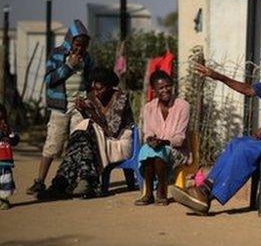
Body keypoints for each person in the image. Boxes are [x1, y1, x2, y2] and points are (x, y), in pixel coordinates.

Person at [170, 40, 261, 215]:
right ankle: (205, 189)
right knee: (237, 143)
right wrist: (217, 76)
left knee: (246, 148)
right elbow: (249, 90)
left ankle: (206, 195)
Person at [38, 68, 134, 199]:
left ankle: (65, 182)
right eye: (94, 88)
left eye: (100, 89)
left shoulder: (120, 98)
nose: (97, 92)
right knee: (82, 134)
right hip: (95, 138)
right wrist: (83, 110)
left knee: (84, 129)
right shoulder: (92, 96)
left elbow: (112, 130)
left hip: (118, 140)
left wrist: (92, 113)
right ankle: (82, 179)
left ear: (110, 87)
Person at [27, 19, 93, 195]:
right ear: (70, 40)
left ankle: (69, 182)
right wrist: (69, 66)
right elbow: (49, 80)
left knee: (77, 144)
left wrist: (86, 100)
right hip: (60, 107)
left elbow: (90, 82)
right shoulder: (57, 55)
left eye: (84, 46)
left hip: (79, 108)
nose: (80, 49)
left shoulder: (87, 59)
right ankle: (40, 181)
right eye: (78, 44)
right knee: (53, 144)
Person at [135, 71, 190, 206]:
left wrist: (164, 142)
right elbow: (148, 131)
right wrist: (151, 140)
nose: (165, 90)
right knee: (148, 151)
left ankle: (161, 192)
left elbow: (180, 137)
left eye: (168, 86)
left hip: (178, 150)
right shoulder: (149, 108)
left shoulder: (183, 106)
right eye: (161, 88)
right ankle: (148, 194)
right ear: (154, 90)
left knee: (159, 153)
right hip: (156, 147)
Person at [0, 104, 20, 210]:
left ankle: (3, 200)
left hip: (5, 161)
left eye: (3, 118)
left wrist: (9, 133)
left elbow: (15, 141)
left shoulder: (8, 128)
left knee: (5, 181)